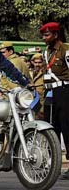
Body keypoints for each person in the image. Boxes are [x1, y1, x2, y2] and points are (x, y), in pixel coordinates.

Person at [39, 22, 69, 179]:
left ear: (56, 35)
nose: (44, 38)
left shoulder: (66, 50)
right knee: (52, 128)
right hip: (50, 92)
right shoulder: (47, 52)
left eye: (47, 35)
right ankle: (54, 164)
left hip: (65, 91)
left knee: (67, 128)